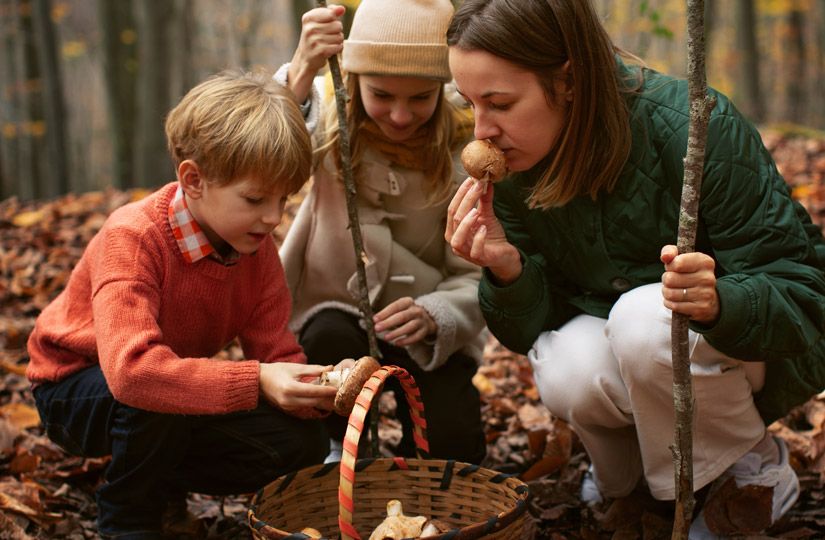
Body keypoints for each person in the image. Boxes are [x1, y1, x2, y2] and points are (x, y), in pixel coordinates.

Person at [444, 0, 825, 537]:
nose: (482, 132)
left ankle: (750, 475)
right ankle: (632, 485)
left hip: (734, 348)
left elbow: (805, 294)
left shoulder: (695, 124)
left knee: (643, 320)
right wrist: (507, 271)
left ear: (569, 80)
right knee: (567, 362)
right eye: (470, 103)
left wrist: (722, 300)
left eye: (500, 103)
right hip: (641, 351)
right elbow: (533, 330)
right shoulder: (513, 171)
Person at [26, 70, 347, 540]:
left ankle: (160, 478)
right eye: (256, 198)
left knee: (301, 440)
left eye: (284, 199)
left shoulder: (255, 246)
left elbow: (276, 353)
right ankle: (129, 520)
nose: (274, 217)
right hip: (77, 386)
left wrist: (316, 392)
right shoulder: (134, 238)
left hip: (164, 390)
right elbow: (133, 373)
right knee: (156, 401)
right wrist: (257, 379)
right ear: (193, 179)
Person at [277, 0, 487, 464]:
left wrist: (436, 313)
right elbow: (266, 153)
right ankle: (334, 443)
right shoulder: (331, 126)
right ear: (354, 82)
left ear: (441, 87)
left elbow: (475, 274)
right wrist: (300, 71)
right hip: (337, 315)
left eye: (419, 98)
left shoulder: (462, 153)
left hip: (423, 324)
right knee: (326, 341)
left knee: (454, 443)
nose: (398, 115)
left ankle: (422, 466)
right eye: (381, 95)